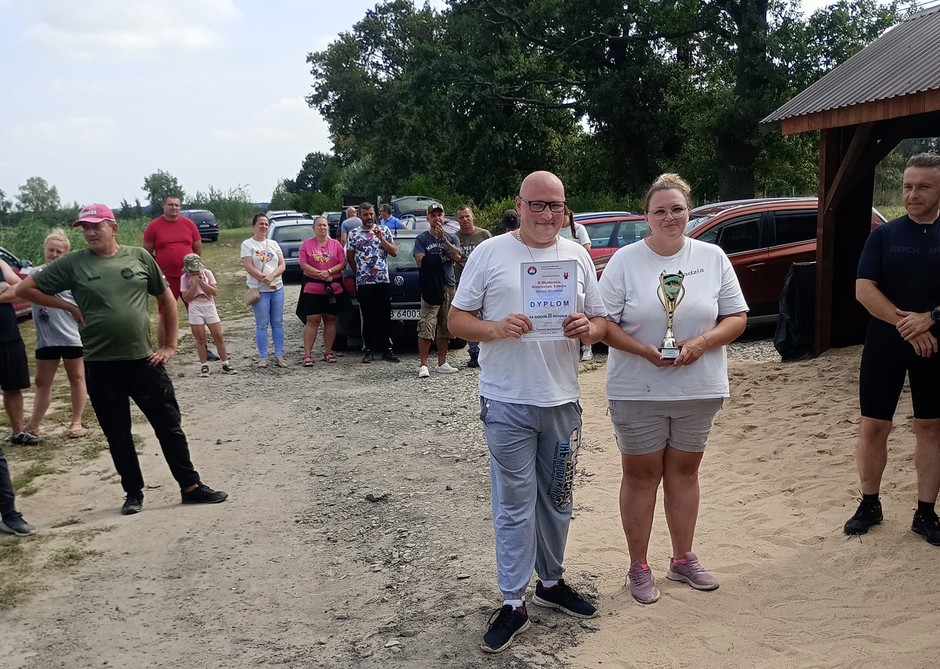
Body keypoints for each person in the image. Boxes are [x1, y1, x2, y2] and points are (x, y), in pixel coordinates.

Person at [449, 171, 608, 654]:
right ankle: (513, 601)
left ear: (565, 209)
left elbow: (601, 322)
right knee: (515, 503)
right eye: (537, 204)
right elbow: (456, 321)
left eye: (555, 205)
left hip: (561, 400)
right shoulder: (489, 253)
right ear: (519, 206)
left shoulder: (577, 255)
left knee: (557, 497)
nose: (546, 214)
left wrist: (588, 328)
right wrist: (496, 329)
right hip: (507, 401)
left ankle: (551, 582)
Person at [16, 203, 228, 516]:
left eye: (96, 226)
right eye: (85, 228)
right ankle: (133, 492)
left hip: (144, 361)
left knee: (169, 426)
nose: (90, 233)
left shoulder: (139, 257)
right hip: (101, 364)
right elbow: (26, 288)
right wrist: (68, 307)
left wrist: (169, 346)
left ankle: (190, 487)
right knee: (117, 433)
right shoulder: (73, 263)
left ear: (113, 228)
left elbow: (166, 298)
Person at [598, 173, 747, 605]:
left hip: (697, 387)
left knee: (684, 473)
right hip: (637, 388)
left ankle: (682, 558)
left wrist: (702, 342)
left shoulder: (712, 257)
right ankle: (639, 566)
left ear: (689, 212)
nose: (669, 217)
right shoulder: (625, 261)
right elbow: (603, 324)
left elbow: (736, 317)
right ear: (646, 216)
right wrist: (643, 351)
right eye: (660, 210)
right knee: (641, 476)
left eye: (677, 209)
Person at [844, 152, 940, 546]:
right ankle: (870, 503)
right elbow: (863, 290)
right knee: (873, 425)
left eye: (923, 186)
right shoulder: (883, 235)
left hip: (935, 344)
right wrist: (909, 325)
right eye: (907, 186)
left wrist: (930, 318)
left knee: (930, 427)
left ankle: (925, 512)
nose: (913, 194)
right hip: (886, 341)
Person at [24, 229, 87, 440]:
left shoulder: (71, 277)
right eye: (51, 250)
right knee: (42, 382)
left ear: (66, 254)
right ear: (45, 250)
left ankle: (76, 422)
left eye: (59, 252)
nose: (54, 254)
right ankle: (34, 425)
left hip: (71, 337)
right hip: (46, 339)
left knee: (77, 377)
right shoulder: (35, 275)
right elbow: (18, 290)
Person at [142, 195, 218, 360]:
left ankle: (204, 350)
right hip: (166, 278)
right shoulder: (154, 226)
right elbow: (146, 252)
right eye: (170, 205)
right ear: (163, 206)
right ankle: (163, 350)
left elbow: (197, 248)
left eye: (177, 205)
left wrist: (193, 268)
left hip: (188, 277)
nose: (174, 208)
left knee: (196, 311)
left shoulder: (188, 224)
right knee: (165, 313)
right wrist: (158, 268)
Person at [346, 202, 401, 363]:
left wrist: (381, 238)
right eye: (365, 214)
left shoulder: (384, 230)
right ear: (360, 215)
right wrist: (360, 273)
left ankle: (387, 349)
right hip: (364, 283)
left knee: (384, 315)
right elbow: (350, 257)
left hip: (382, 280)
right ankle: (369, 349)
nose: (369, 217)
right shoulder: (354, 234)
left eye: (371, 214)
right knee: (368, 317)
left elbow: (394, 252)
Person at [414, 202, 462, 377]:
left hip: (448, 285)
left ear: (444, 217)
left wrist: (443, 241)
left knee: (445, 324)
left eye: (439, 215)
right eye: (433, 215)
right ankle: (423, 364)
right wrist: (443, 258)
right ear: (428, 218)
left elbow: (458, 256)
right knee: (427, 324)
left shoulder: (452, 237)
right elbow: (420, 260)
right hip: (431, 286)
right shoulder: (422, 239)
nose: (437, 219)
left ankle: (442, 362)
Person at [240, 213, 287, 368]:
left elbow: (282, 264)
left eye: (266, 224)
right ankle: (263, 356)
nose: (264, 227)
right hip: (259, 290)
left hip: (277, 288)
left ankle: (279, 355)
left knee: (278, 322)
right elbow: (249, 267)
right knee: (262, 324)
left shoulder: (273, 243)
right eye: (260, 223)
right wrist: (265, 279)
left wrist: (272, 277)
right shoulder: (247, 244)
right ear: (254, 226)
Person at [297, 216, 345, 365]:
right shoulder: (306, 244)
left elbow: (342, 263)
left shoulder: (336, 244)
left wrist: (329, 271)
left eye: (324, 225)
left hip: (333, 289)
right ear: (314, 228)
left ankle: (328, 352)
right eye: (319, 225)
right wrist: (320, 274)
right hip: (312, 289)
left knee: (330, 320)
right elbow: (303, 264)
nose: (322, 228)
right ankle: (307, 355)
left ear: (328, 228)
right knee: (313, 321)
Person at [180, 253, 237, 377]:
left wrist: (202, 282)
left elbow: (214, 292)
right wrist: (193, 285)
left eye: (197, 270)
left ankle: (225, 363)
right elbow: (186, 298)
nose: (195, 273)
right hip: (195, 306)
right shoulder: (184, 278)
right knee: (200, 338)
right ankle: (204, 365)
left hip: (208, 305)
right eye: (193, 271)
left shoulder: (207, 273)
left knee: (218, 336)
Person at [0, 262, 37, 447]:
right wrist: (4, 287)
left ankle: (18, 432)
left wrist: (6, 289)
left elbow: (21, 290)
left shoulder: (0, 263)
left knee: (13, 386)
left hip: (8, 335)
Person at [454, 204, 491, 369]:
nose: (465, 220)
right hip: (464, 282)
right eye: (461, 217)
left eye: (467, 216)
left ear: (472, 216)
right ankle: (474, 352)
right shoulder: (455, 238)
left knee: (488, 315)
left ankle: (490, 350)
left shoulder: (484, 235)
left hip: (485, 281)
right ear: (457, 220)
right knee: (469, 318)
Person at [567, 211, 595, 362]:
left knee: (582, 313)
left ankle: (587, 348)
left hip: (575, 274)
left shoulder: (578, 229)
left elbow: (587, 248)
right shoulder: (553, 230)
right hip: (558, 277)